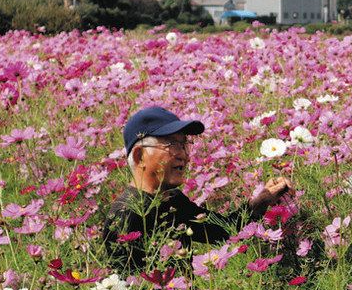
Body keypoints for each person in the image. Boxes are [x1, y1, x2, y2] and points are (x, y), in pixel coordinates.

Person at [101, 106, 290, 273]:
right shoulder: (125, 215)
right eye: (172, 144)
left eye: (184, 144)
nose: (183, 154)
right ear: (140, 155)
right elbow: (131, 288)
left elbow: (224, 230)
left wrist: (263, 199)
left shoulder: (172, 200)